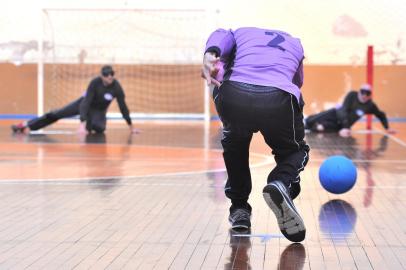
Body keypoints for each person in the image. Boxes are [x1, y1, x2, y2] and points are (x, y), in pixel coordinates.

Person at [202, 27, 309, 242]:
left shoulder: (238, 33)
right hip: (278, 97)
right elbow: (296, 83)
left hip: (235, 95)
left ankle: (239, 208)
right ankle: (283, 182)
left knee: (235, 144)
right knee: (294, 151)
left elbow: (220, 36)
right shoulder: (295, 42)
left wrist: (210, 54)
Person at [11, 65, 139, 134]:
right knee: (56, 114)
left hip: (98, 111)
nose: (110, 77)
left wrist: (131, 127)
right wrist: (82, 125)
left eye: (112, 74)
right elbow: (86, 102)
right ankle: (26, 125)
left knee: (99, 128)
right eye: (107, 75)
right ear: (102, 76)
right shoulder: (95, 83)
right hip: (82, 104)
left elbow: (123, 107)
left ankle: (89, 125)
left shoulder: (116, 88)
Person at [304, 84, 396, 137]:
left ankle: (311, 127)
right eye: (363, 92)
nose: (364, 95)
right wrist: (346, 127)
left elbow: (381, 115)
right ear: (359, 91)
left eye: (367, 93)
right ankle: (305, 122)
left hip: (339, 126)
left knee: (320, 128)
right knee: (311, 120)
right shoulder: (352, 95)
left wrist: (387, 128)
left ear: (370, 95)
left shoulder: (370, 105)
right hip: (336, 114)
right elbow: (344, 110)